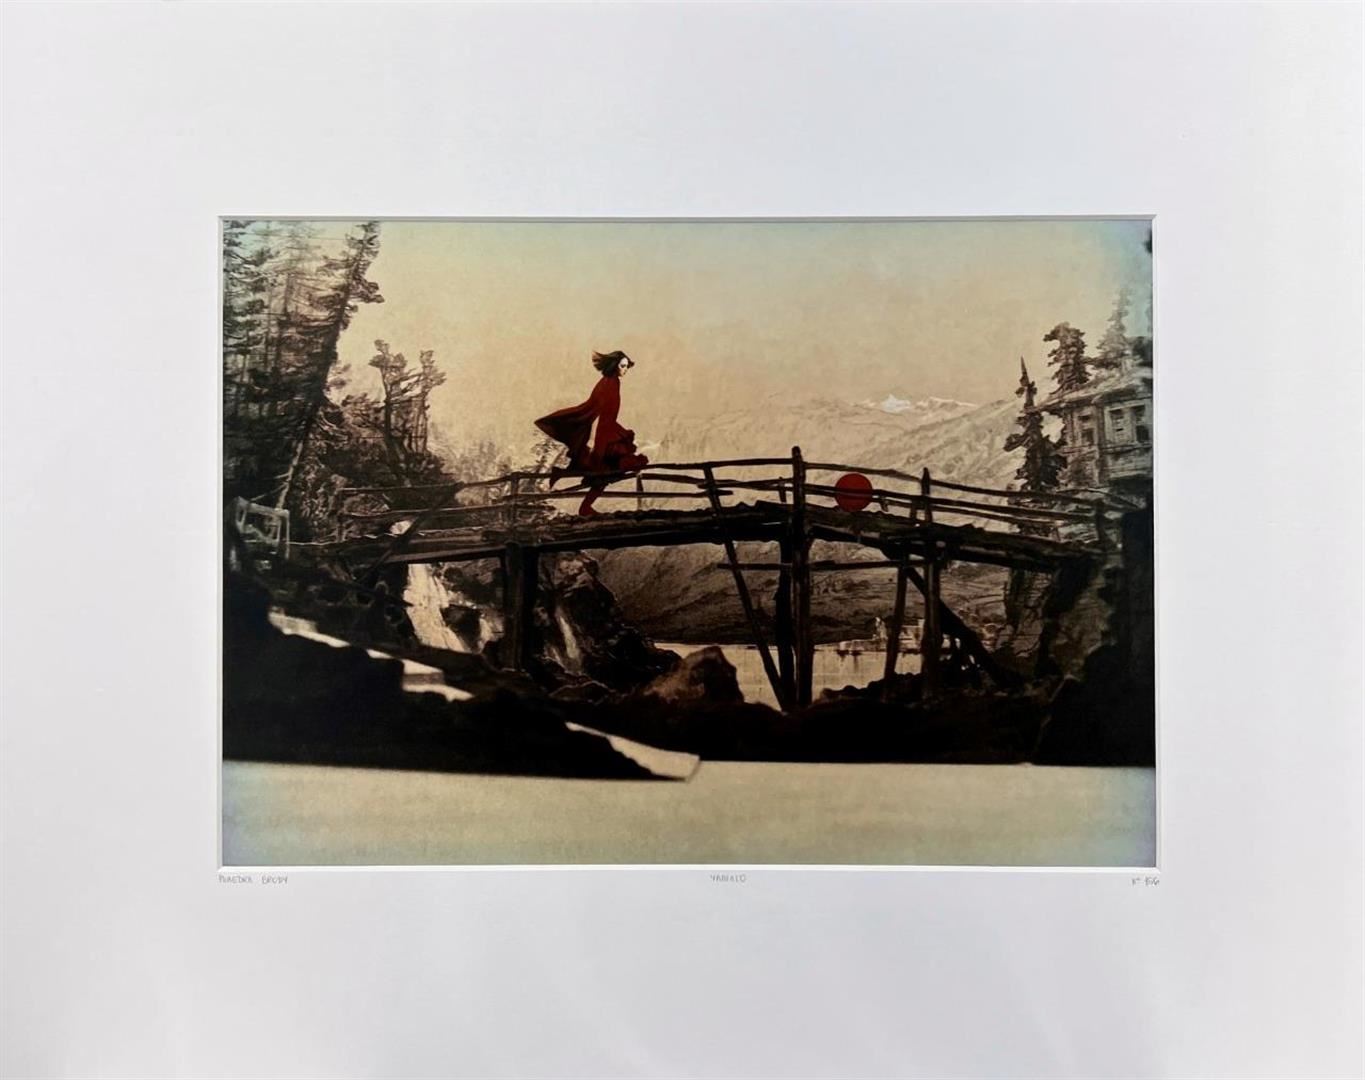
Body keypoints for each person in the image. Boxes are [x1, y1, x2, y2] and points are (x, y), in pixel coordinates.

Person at [534, 350, 649, 516]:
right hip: (603, 433)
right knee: (609, 469)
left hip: (606, 430)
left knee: (605, 470)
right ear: (614, 366)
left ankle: (575, 492)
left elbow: (607, 416)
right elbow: (600, 414)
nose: (625, 370)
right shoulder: (609, 383)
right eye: (622, 366)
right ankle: (584, 506)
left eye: (626, 366)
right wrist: (596, 440)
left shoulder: (611, 382)